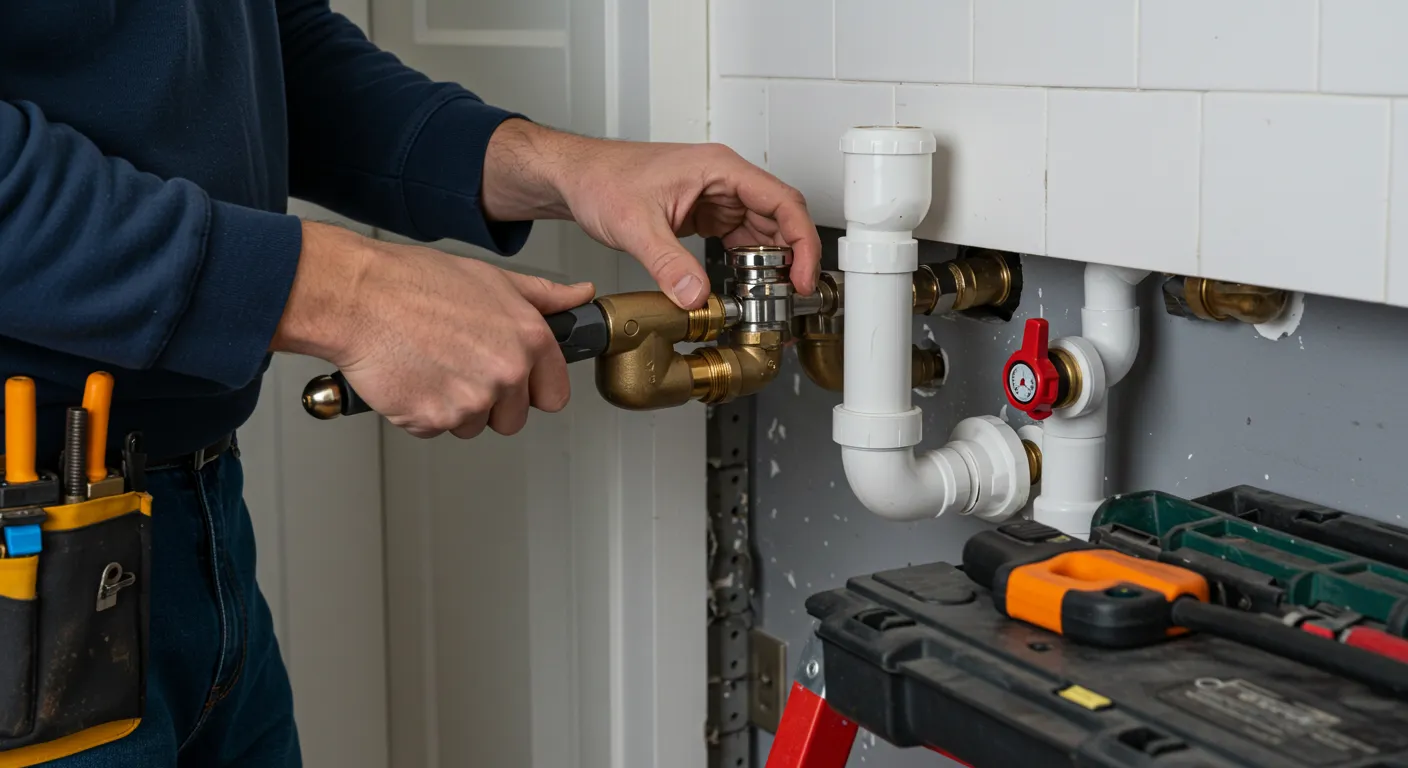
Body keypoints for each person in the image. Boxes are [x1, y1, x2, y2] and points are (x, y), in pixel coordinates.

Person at [0, 1, 821, 765]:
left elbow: (265, 50)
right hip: (25, 542)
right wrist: (348, 293)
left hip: (193, 516)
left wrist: (563, 167)